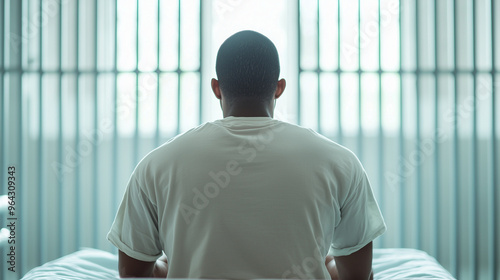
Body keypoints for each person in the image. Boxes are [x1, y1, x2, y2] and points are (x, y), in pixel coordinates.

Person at [107, 30, 386, 280]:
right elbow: (357, 275)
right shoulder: (341, 162)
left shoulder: (156, 165)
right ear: (279, 87)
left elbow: (132, 272)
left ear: (216, 88)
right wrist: (323, 263)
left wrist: (174, 266)